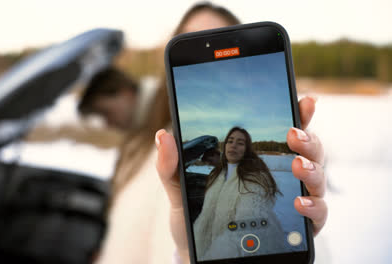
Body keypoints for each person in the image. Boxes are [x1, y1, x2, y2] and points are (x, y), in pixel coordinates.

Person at [96, 2, 328, 264]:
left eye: (220, 35)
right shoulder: (149, 144)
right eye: (192, 39)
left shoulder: (243, 177)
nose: (207, 47)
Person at [193, 127, 285, 260]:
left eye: (240, 143)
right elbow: (204, 217)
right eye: (230, 141)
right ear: (225, 146)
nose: (233, 145)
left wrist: (213, 256)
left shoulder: (255, 179)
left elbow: (247, 228)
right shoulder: (217, 175)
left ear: (247, 150)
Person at [77, 67, 156, 131]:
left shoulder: (162, 111)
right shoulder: (151, 122)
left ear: (126, 93)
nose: (109, 124)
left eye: (106, 112)